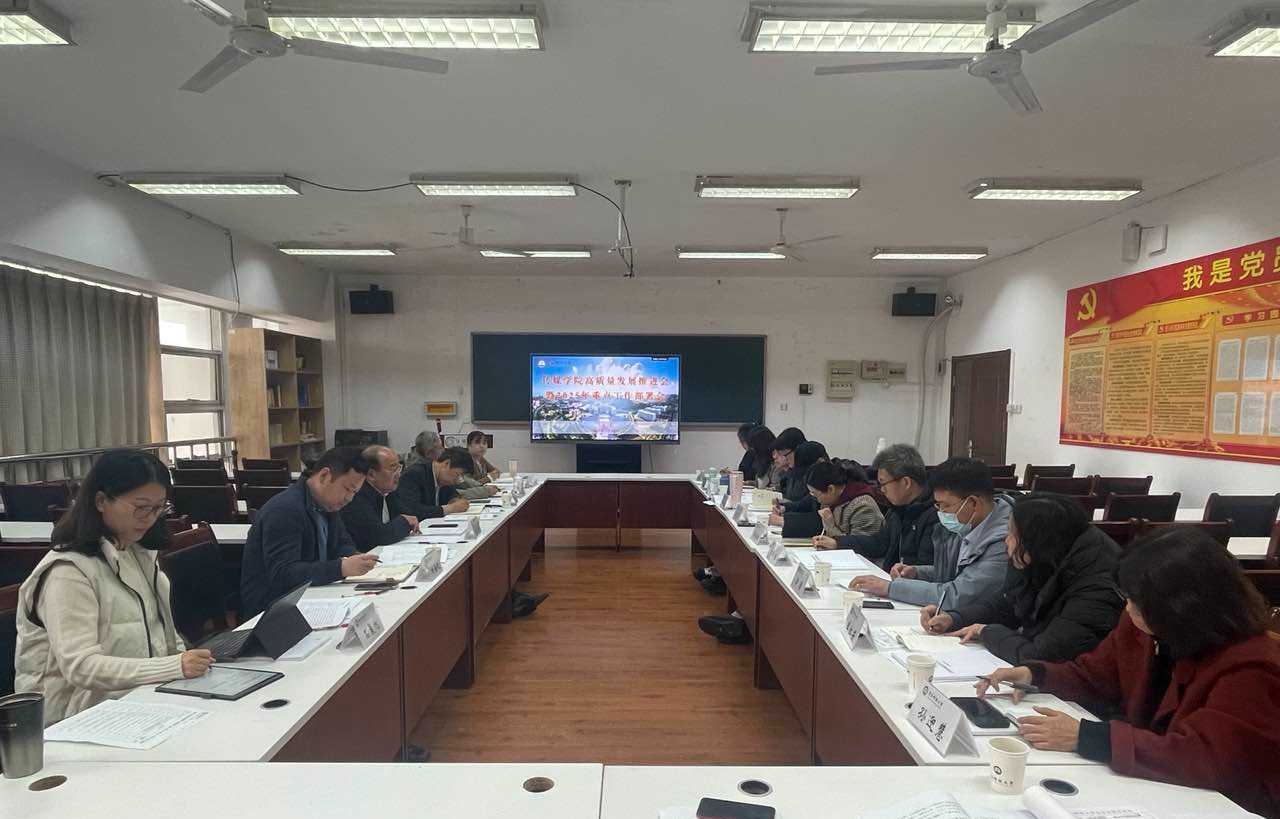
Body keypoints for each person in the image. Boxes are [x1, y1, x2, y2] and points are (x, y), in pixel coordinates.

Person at [978, 529, 1280, 818]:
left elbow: (1208, 758)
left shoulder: (1251, 666)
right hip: (1152, 785)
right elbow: (1095, 674)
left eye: (1136, 601)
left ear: (1182, 607)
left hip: (1220, 804)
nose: (1127, 608)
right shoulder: (1150, 629)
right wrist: (1035, 675)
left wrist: (1089, 737)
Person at [14, 450, 212, 725]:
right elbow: (81, 667)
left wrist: (188, 666)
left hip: (135, 702)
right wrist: (173, 667)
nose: (150, 517)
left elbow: (164, 635)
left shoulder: (138, 553)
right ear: (100, 501)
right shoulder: (68, 572)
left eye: (159, 508)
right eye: (141, 507)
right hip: (71, 721)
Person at [918, 493, 1123, 664]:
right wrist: (955, 618)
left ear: (1038, 540)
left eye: (1011, 533)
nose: (1006, 541)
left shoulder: (1098, 586)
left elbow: (1042, 656)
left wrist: (987, 632)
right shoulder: (1039, 554)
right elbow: (1007, 603)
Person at [851, 456, 1010, 609]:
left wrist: (891, 588)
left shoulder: (1004, 542)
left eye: (945, 505)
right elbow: (955, 574)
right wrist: (917, 573)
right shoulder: (968, 523)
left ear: (973, 503)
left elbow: (958, 596)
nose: (941, 512)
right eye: (938, 505)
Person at [240, 446, 379, 617]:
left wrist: (355, 556)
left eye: (355, 492)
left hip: (312, 597)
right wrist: (341, 568)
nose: (349, 498)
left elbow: (341, 542)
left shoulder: (327, 504)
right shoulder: (285, 510)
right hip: (272, 611)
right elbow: (283, 573)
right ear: (324, 476)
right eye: (347, 489)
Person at [814, 443, 937, 569]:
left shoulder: (934, 516)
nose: (882, 490)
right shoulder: (898, 510)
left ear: (906, 482)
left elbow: (924, 570)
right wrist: (837, 543)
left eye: (883, 484)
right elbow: (879, 543)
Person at [340, 445, 420, 552]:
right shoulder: (358, 496)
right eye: (393, 468)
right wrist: (404, 522)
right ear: (371, 475)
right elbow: (378, 536)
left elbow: (409, 516)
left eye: (399, 468)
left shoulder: (388, 491)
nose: (398, 474)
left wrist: (404, 521)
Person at [408, 429, 496, 501]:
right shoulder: (418, 473)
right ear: (428, 453)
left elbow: (461, 481)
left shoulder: (437, 467)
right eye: (440, 448)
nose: (443, 450)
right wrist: (484, 490)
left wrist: (481, 487)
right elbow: (453, 492)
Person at [804, 460, 884, 539]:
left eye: (816, 495)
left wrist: (831, 527)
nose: (818, 500)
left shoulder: (863, 506)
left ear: (831, 489)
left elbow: (859, 545)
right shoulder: (833, 501)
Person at [770, 440, 827, 537]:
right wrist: (784, 508)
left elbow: (822, 522)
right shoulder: (815, 482)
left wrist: (784, 521)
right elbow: (806, 503)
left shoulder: (830, 483)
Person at [398, 446, 472, 520]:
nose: (458, 480)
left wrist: (455, 499)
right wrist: (449, 508)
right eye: (457, 474)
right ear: (447, 464)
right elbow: (412, 510)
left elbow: (452, 493)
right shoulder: (414, 474)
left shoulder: (444, 480)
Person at [746, 425, 780, 490]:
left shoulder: (777, 462)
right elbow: (760, 484)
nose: (752, 451)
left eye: (753, 447)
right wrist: (748, 483)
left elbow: (775, 489)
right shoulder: (761, 461)